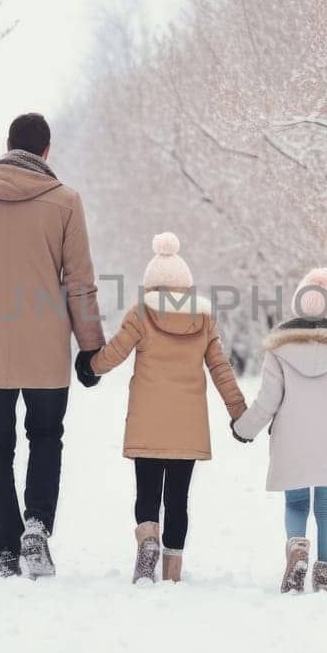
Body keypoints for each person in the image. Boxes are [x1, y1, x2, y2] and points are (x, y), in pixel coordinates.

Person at [0, 113, 104, 578]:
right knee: (46, 437)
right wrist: (90, 349)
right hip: (46, 348)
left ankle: (6, 550)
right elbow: (80, 284)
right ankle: (37, 525)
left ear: (8, 145)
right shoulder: (66, 202)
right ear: (46, 151)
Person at [88, 233, 247, 584]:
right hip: (187, 426)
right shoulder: (204, 319)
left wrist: (90, 367)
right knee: (178, 498)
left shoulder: (141, 314)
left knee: (147, 492)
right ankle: (172, 572)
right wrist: (238, 409)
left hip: (148, 422)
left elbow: (114, 352)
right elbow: (220, 366)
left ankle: (147, 543)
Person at [232, 268, 327, 593]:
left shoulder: (280, 348)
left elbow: (268, 400)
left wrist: (244, 429)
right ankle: (324, 577)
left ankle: (297, 550)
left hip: (290, 441)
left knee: (296, 504)